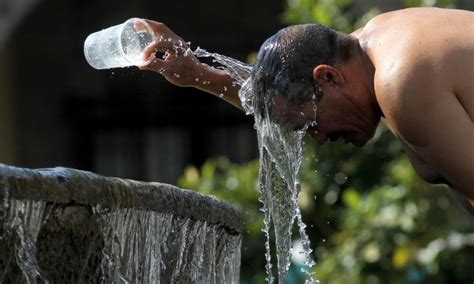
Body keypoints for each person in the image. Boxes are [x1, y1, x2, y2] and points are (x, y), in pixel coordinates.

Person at [138, 7, 474, 210]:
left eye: (310, 124)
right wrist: (198, 74)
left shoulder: (401, 83)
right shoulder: (371, 47)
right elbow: (281, 97)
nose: (320, 137)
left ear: (328, 77)